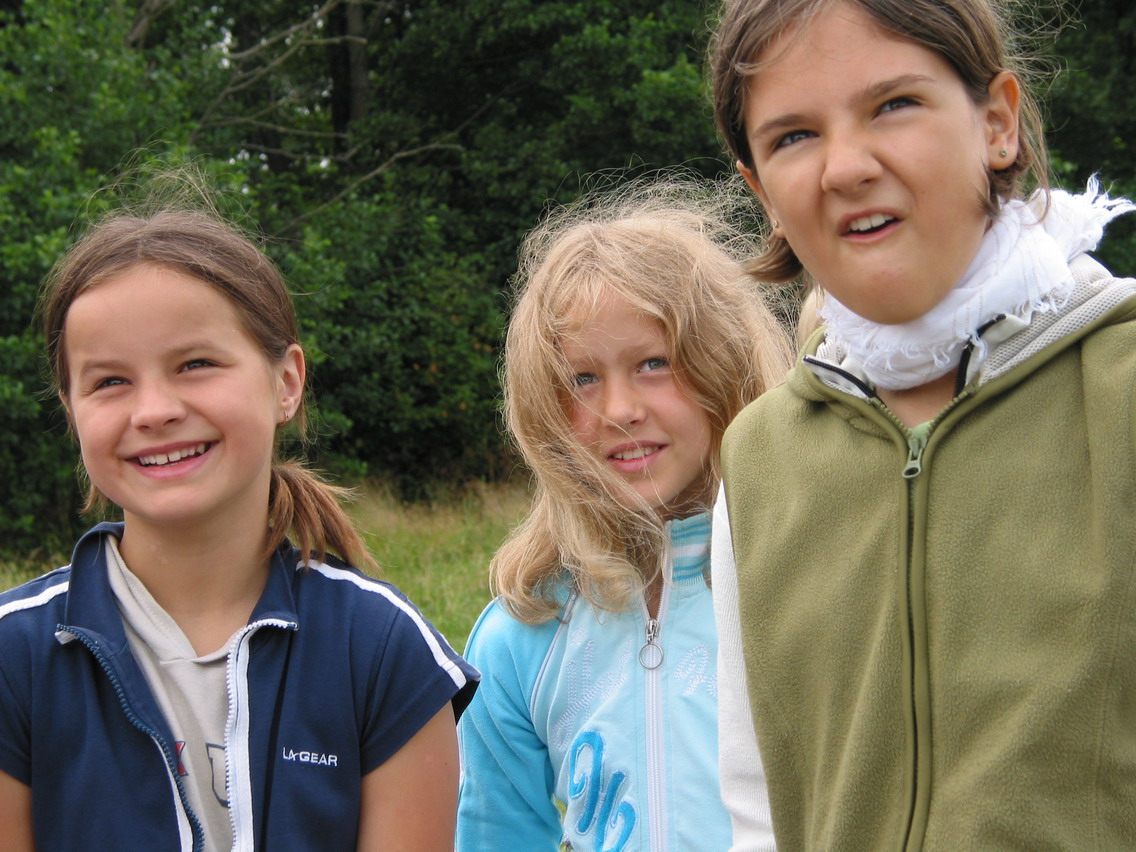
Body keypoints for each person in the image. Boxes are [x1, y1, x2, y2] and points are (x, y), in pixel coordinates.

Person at [708, 0, 1136, 848]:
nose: (846, 167)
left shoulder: (1122, 391)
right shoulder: (758, 462)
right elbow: (758, 805)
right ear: (762, 192)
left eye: (893, 104)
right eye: (794, 136)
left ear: (997, 124)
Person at [0, 192, 478, 851]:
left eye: (195, 365)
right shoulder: (13, 657)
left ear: (287, 382)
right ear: (71, 410)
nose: (154, 410)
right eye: (109, 381)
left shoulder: (383, 650)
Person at [455, 177, 792, 850]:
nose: (619, 410)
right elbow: (496, 834)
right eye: (582, 379)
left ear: (724, 364)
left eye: (654, 363)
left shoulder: (800, 585)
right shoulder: (522, 632)